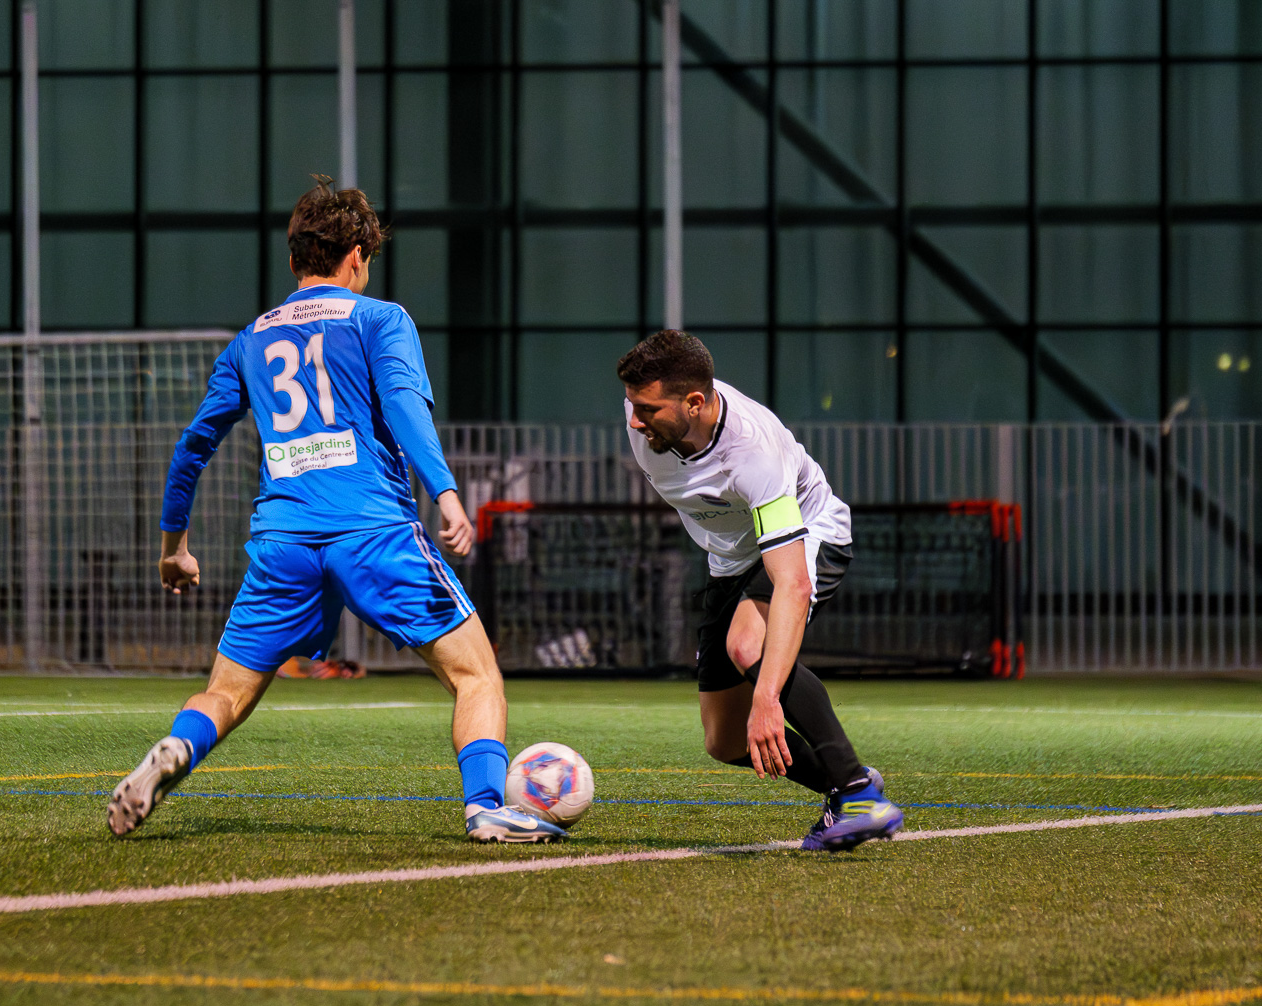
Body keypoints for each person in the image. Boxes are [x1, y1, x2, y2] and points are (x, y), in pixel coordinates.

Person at [107, 176, 557, 843]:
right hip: (375, 534)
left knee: (226, 695)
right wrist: (447, 493)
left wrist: (174, 547)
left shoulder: (250, 340)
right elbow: (403, 406)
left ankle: (176, 747)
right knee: (476, 674)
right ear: (357, 256)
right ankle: (486, 808)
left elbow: (192, 446)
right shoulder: (380, 319)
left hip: (282, 542)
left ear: (294, 259)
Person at [617, 330, 902, 851]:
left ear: (695, 403)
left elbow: (792, 583)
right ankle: (847, 784)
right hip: (729, 561)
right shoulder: (647, 413)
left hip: (809, 535)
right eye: (632, 404)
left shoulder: (753, 453)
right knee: (724, 739)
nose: (634, 421)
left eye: (648, 409)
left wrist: (767, 697)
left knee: (748, 646)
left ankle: (858, 794)